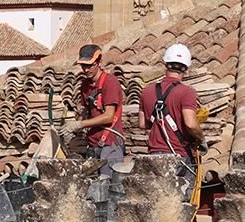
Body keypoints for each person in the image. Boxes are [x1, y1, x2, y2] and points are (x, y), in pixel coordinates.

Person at [61, 44, 125, 176]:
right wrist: (74, 125)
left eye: (90, 65)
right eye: (83, 66)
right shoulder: (85, 85)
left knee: (109, 188)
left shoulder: (110, 82)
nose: (86, 69)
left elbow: (108, 116)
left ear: (99, 62)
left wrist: (80, 124)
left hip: (110, 144)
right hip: (93, 145)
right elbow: (85, 112)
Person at [139, 43, 204, 168]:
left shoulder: (147, 91)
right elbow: (190, 124)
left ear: (165, 65)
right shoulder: (187, 92)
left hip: (153, 155)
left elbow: (142, 124)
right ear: (186, 69)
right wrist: (201, 139)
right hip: (178, 155)